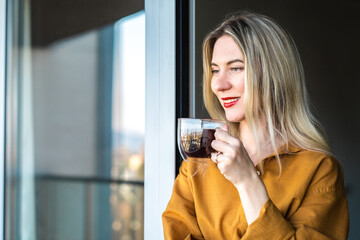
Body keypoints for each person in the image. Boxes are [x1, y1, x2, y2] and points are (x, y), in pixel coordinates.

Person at [162, 10, 349, 239]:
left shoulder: (319, 169)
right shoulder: (198, 163)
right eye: (214, 70)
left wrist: (247, 181)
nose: (218, 85)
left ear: (273, 73)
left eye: (235, 68)